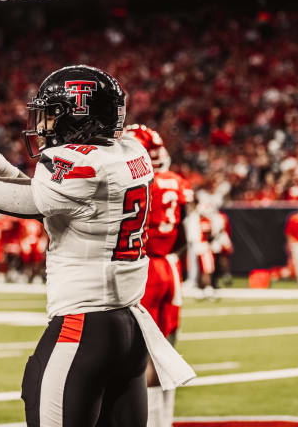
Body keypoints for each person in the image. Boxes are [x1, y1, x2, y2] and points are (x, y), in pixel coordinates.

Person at [0, 65, 194, 426]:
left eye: (52, 114)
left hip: (83, 330)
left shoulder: (79, 165)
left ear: (78, 117)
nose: (45, 125)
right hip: (127, 328)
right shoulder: (129, 151)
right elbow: (50, 202)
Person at [126, 124, 192, 427]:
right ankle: (164, 421)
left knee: (141, 353)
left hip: (145, 267)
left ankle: (150, 421)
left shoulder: (138, 181)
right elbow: (183, 236)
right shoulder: (176, 182)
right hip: (169, 265)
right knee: (165, 348)